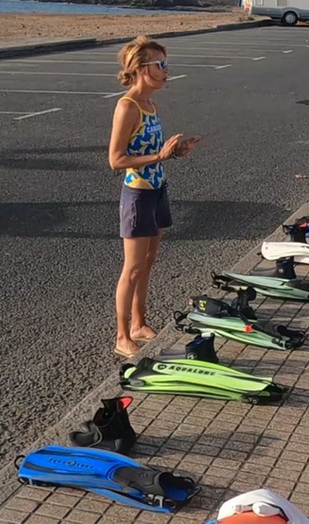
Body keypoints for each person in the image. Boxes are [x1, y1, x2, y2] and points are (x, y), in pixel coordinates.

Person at [109, 35, 200, 358]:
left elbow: (152, 151)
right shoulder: (127, 106)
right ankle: (122, 336)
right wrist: (159, 157)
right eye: (160, 65)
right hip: (137, 195)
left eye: (166, 64)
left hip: (158, 189)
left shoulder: (151, 105)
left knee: (148, 262)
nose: (167, 70)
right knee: (132, 268)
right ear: (139, 68)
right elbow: (116, 160)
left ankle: (139, 323)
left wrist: (175, 153)